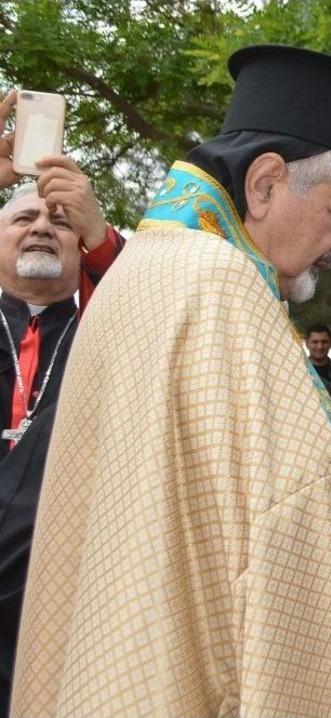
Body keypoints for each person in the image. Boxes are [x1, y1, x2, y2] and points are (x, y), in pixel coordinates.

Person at [11, 46, 331, 718]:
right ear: (267, 182)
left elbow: (216, 491)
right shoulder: (220, 283)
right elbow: (289, 520)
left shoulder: (151, 264)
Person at [0, 88, 126, 714]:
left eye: (59, 223)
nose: (43, 227)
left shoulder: (106, 325)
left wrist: (101, 232)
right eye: (24, 219)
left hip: (62, 594)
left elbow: (151, 309)